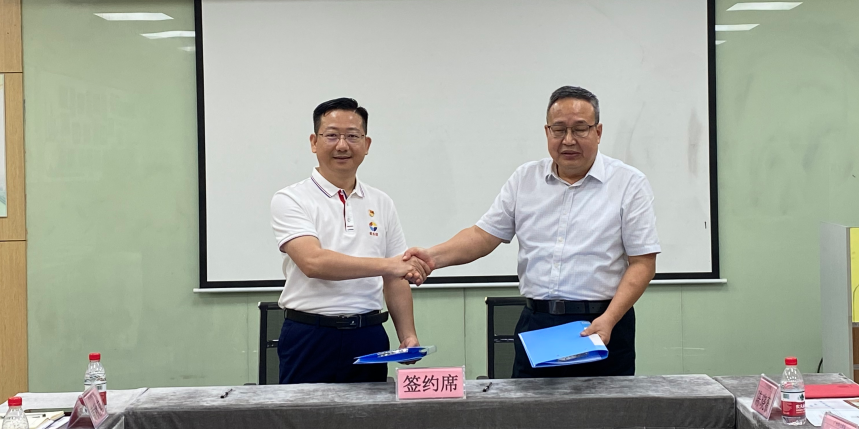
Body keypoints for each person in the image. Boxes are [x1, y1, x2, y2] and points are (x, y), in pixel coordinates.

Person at [405, 86, 660, 378]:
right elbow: (483, 236)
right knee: (529, 406)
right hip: (537, 324)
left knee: (603, 407)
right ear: (547, 131)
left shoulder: (629, 183)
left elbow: (643, 263)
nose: (568, 140)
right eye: (559, 130)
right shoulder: (525, 179)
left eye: (580, 129)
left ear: (598, 132)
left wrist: (610, 319)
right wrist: (432, 258)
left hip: (602, 324)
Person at [271, 97, 431, 384]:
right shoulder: (291, 198)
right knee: (304, 411)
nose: (342, 145)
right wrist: (389, 265)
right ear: (314, 142)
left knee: (370, 411)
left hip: (368, 335)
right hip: (310, 335)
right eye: (332, 135)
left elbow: (396, 277)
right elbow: (313, 262)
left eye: (353, 136)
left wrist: (407, 335)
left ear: (366, 145)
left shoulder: (381, 202)